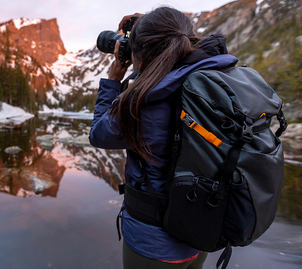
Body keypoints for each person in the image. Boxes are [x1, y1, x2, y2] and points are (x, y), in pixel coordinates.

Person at [89, 7, 238, 269]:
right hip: (200, 230)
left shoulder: (145, 102)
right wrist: (149, 27)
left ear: (141, 53)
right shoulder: (212, 78)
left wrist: (114, 78)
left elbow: (99, 134)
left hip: (154, 242)